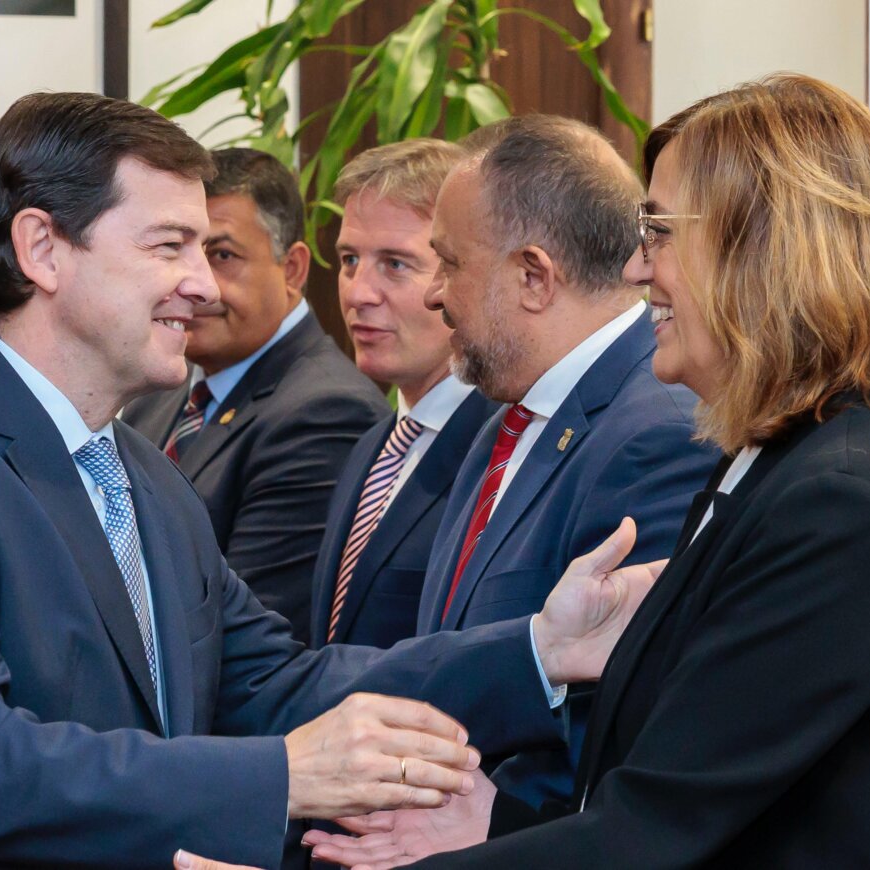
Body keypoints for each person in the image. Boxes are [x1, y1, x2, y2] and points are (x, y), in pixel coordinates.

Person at [0, 91, 663, 870]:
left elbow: (279, 688)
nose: (201, 285)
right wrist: (286, 775)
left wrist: (538, 654)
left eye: (206, 250)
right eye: (169, 246)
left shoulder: (142, 482)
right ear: (42, 249)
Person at [305, 74, 870, 869]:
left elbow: (655, 834)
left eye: (661, 231)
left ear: (762, 249)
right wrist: (495, 825)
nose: (638, 269)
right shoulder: (786, 457)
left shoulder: (841, 496)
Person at [415, 116, 719, 808]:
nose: (434, 292)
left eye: (450, 262)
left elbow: (613, 747)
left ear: (533, 277)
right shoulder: (506, 414)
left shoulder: (659, 434)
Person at [124, 148, 388, 642]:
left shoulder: (326, 413)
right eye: (178, 251)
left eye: (222, 256)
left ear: (292, 269)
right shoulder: (154, 395)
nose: (196, 284)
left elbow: (247, 636)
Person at [309, 139, 500, 650]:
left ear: (458, 270)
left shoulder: (504, 450)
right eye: (350, 259)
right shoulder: (375, 443)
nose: (357, 292)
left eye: (395, 264)